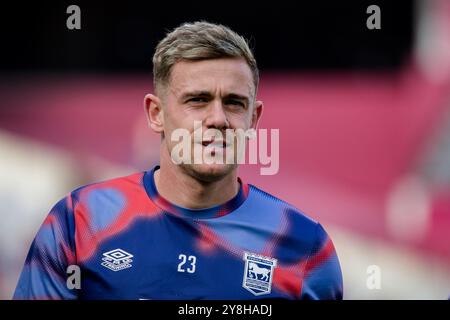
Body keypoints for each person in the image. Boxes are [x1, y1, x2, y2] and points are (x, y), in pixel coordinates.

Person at [13, 21, 343, 300]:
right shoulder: (79, 223)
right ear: (156, 114)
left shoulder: (304, 247)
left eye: (234, 103)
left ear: (253, 120)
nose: (218, 119)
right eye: (197, 100)